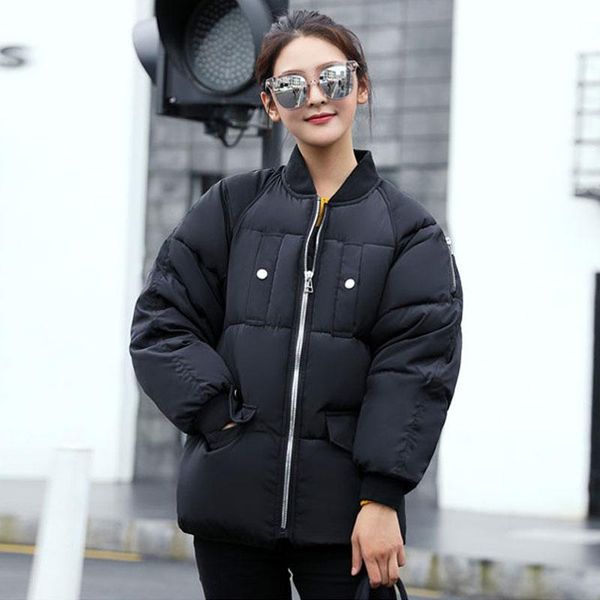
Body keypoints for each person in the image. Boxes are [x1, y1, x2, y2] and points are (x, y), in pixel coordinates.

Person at [129, 8, 463, 600]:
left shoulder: (410, 232)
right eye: (291, 86)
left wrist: (382, 498)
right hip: (230, 507)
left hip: (347, 520)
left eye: (332, 78)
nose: (315, 97)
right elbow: (162, 323)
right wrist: (220, 419)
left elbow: (415, 370)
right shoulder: (230, 207)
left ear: (361, 86)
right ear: (270, 103)